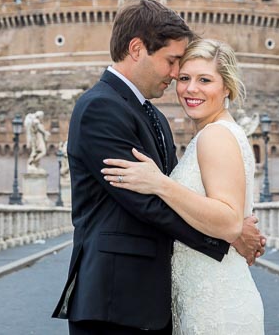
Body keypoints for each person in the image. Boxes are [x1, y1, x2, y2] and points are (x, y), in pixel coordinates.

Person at [52, 0, 264, 334]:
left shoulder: (155, 117)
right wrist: (229, 236)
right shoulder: (101, 108)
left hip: (150, 301)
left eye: (201, 78)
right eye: (172, 63)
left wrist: (230, 225)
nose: (176, 76)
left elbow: (175, 191)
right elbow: (145, 203)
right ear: (137, 49)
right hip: (115, 299)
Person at [101, 38, 264, 334]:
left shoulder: (216, 136)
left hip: (215, 302)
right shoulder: (213, 135)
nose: (191, 89)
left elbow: (228, 223)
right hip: (203, 296)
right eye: (185, 78)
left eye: (205, 80)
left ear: (226, 87)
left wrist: (160, 184)